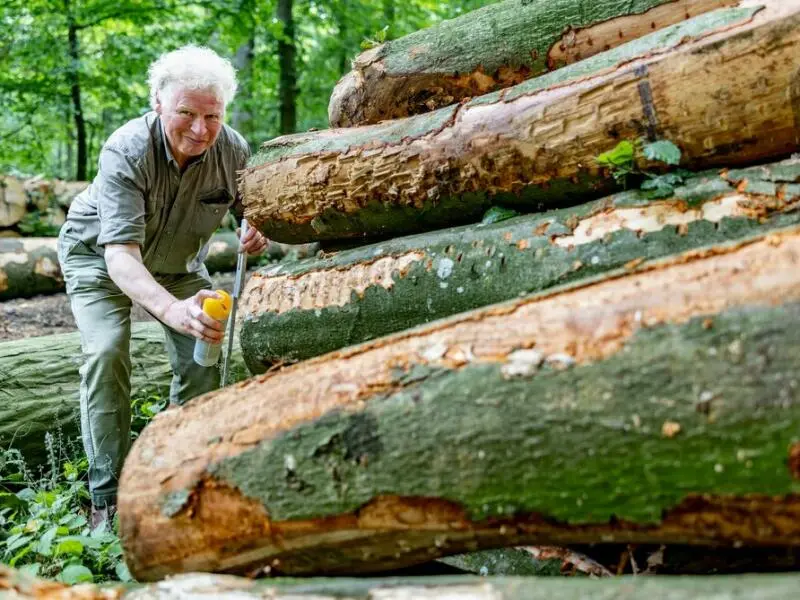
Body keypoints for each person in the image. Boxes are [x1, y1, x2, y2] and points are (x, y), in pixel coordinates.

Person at [57, 45, 268, 528]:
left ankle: (180, 472)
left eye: (212, 116)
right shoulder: (125, 149)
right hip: (100, 257)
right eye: (186, 113)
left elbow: (254, 212)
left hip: (177, 263)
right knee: (108, 349)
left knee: (207, 350)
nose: (200, 129)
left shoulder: (234, 150)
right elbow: (120, 257)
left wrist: (259, 228)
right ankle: (107, 498)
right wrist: (172, 311)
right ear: (157, 102)